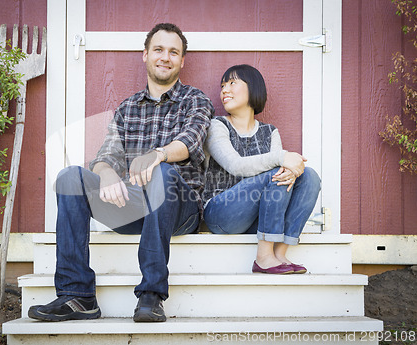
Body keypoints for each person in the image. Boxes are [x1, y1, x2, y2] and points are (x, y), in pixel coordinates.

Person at [28, 23, 214, 323]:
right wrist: (106, 173)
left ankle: (151, 294)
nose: (165, 57)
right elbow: (107, 155)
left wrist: (158, 155)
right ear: (145, 55)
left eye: (173, 52)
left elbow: (190, 141)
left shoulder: (196, 100)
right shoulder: (127, 108)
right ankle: (77, 296)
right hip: (133, 207)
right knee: (70, 177)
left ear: (182, 61)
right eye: (158, 49)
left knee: (163, 172)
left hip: (180, 208)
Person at [202, 64, 321, 274]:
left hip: (256, 219)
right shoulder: (217, 125)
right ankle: (263, 258)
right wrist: (282, 157)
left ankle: (280, 254)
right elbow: (235, 165)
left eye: (232, 83)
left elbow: (281, 173)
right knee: (274, 173)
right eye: (222, 86)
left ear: (253, 88)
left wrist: (292, 170)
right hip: (221, 213)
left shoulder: (270, 132)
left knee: (309, 176)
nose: (224, 90)